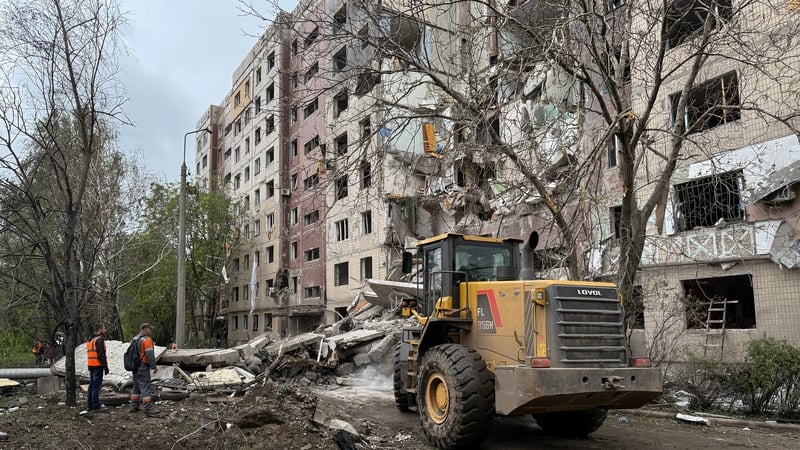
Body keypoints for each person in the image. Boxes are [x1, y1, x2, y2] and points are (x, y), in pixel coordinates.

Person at [129, 323, 159, 415]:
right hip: (143, 366)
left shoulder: (134, 339)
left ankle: (134, 406)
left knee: (136, 387)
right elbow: (150, 355)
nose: (151, 331)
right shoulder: (147, 340)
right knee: (145, 386)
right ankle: (148, 408)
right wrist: (153, 366)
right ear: (146, 329)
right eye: (150, 329)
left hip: (135, 367)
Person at [86, 323, 109, 413]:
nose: (105, 330)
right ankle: (96, 406)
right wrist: (105, 366)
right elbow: (101, 354)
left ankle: (90, 405)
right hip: (97, 365)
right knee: (96, 387)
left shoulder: (90, 340)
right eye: (104, 328)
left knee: (91, 386)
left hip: (91, 365)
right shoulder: (99, 340)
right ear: (99, 329)